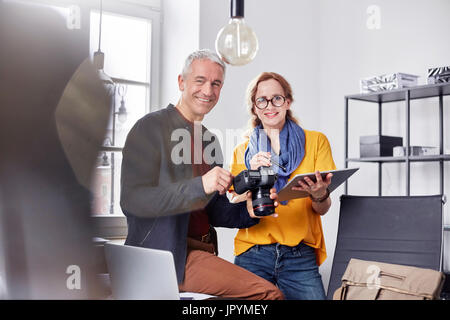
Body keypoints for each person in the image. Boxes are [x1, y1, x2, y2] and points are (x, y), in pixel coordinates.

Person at [120, 50, 284, 300]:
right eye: (200, 80)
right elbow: (133, 201)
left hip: (205, 251)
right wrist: (200, 185)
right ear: (181, 82)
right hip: (170, 256)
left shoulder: (209, 141)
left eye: (216, 83)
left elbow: (215, 211)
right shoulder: (150, 128)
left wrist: (248, 212)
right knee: (268, 295)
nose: (208, 90)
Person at [229, 72, 336, 300]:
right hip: (252, 252)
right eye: (262, 100)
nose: (270, 105)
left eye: (277, 98)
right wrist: (252, 177)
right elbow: (233, 204)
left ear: (287, 102)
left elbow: (323, 208)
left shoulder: (316, 142)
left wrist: (318, 195)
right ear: (254, 108)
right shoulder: (242, 152)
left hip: (300, 255)